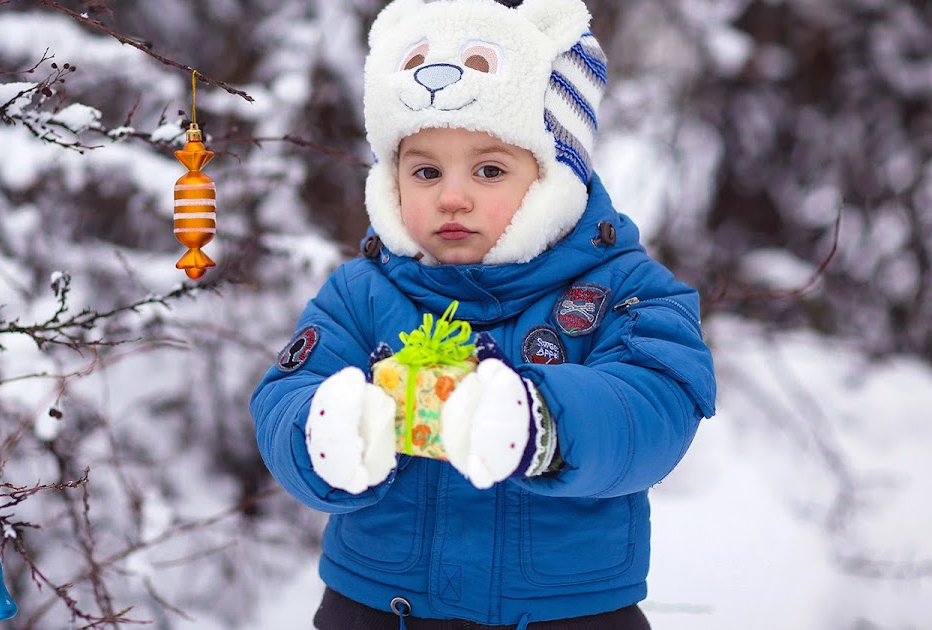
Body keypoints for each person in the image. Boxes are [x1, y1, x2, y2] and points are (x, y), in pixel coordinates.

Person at [250, 0, 717, 628]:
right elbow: (284, 395)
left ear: (554, 178)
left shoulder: (624, 291)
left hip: (564, 613)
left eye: (489, 169)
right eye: (425, 170)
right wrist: (319, 433)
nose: (451, 196)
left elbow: (654, 407)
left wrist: (546, 422)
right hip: (380, 606)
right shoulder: (360, 293)